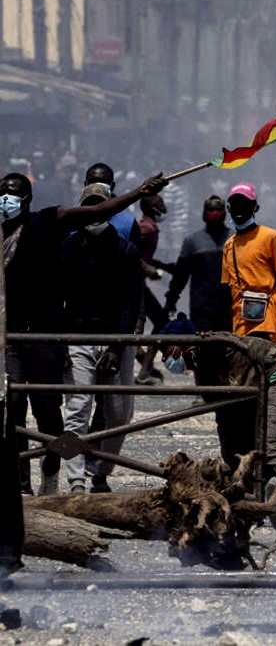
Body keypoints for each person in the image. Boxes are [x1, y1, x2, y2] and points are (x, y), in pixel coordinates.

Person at [1, 169, 166, 495]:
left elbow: (95, 212)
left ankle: (57, 469)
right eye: (1, 192)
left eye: (12, 193)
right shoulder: (17, 238)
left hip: (47, 338)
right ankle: (32, 485)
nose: (5, 200)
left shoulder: (46, 224)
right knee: (16, 409)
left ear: (28, 199)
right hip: (15, 339)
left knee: (51, 417)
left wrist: (138, 192)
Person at [161, 323, 276, 531]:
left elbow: (230, 383)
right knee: (236, 453)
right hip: (259, 388)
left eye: (165, 351)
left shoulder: (209, 346)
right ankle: (258, 504)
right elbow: (223, 409)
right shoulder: (199, 362)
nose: (163, 360)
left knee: (270, 447)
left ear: (181, 343)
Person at [61, 183, 143, 494]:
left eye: (100, 205)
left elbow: (130, 302)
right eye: (90, 205)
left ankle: (101, 472)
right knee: (78, 409)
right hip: (78, 337)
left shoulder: (125, 250)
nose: (95, 212)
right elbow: (59, 298)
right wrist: (60, 343)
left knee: (120, 414)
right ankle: (76, 479)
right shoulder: (68, 248)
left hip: (114, 340)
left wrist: (115, 347)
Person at [220, 182, 276, 349]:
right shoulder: (229, 245)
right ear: (229, 208)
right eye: (235, 204)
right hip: (240, 325)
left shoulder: (272, 237)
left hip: (268, 323)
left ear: (255, 207)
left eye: (244, 204)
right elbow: (226, 293)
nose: (239, 209)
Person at [164, 195, 233, 332]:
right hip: (202, 309)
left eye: (218, 210)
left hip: (229, 308)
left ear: (224, 213)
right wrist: (170, 301)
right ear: (204, 213)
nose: (214, 214)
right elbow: (180, 276)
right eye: (211, 210)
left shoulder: (233, 239)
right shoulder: (193, 242)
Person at [134, 194, 175, 384]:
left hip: (140, 284)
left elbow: (144, 256)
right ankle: (143, 366)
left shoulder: (151, 228)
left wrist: (165, 266)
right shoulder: (145, 229)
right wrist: (148, 269)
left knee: (160, 322)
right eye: (160, 203)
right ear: (151, 207)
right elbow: (132, 254)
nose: (164, 206)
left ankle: (145, 367)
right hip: (134, 285)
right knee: (142, 325)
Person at [82, 162, 142, 247]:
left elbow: (135, 256)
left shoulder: (128, 222)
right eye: (93, 182)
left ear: (112, 186)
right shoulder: (70, 219)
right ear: (85, 184)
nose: (98, 187)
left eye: (103, 183)